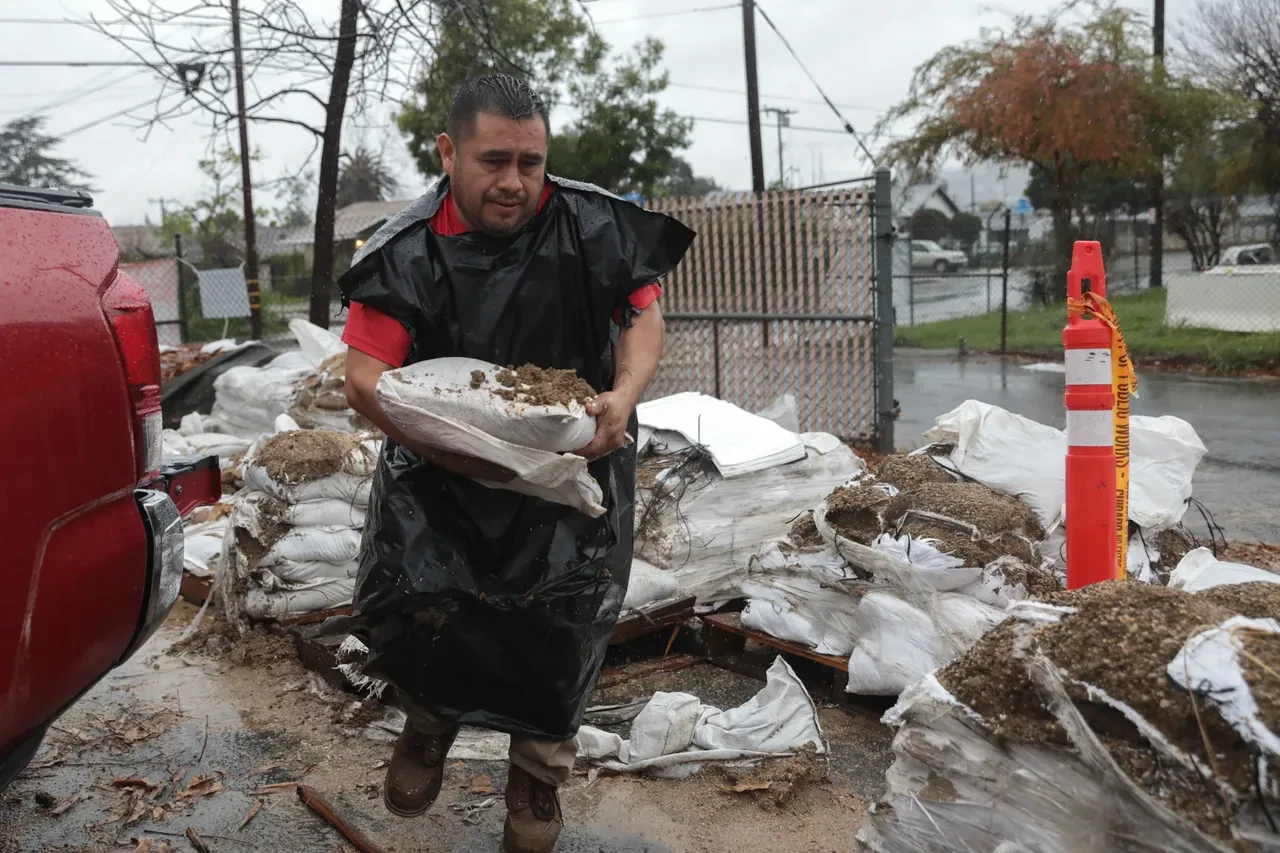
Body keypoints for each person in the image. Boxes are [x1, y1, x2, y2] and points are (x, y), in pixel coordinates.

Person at [339, 74, 693, 853]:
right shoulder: (406, 253)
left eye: (530, 162)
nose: (514, 182)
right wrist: (454, 448)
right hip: (441, 476)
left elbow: (644, 317)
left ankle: (537, 776)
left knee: (564, 623)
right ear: (447, 151)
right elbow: (363, 378)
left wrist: (622, 398)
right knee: (430, 604)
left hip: (574, 464)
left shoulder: (592, 224)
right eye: (494, 160)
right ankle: (429, 726)